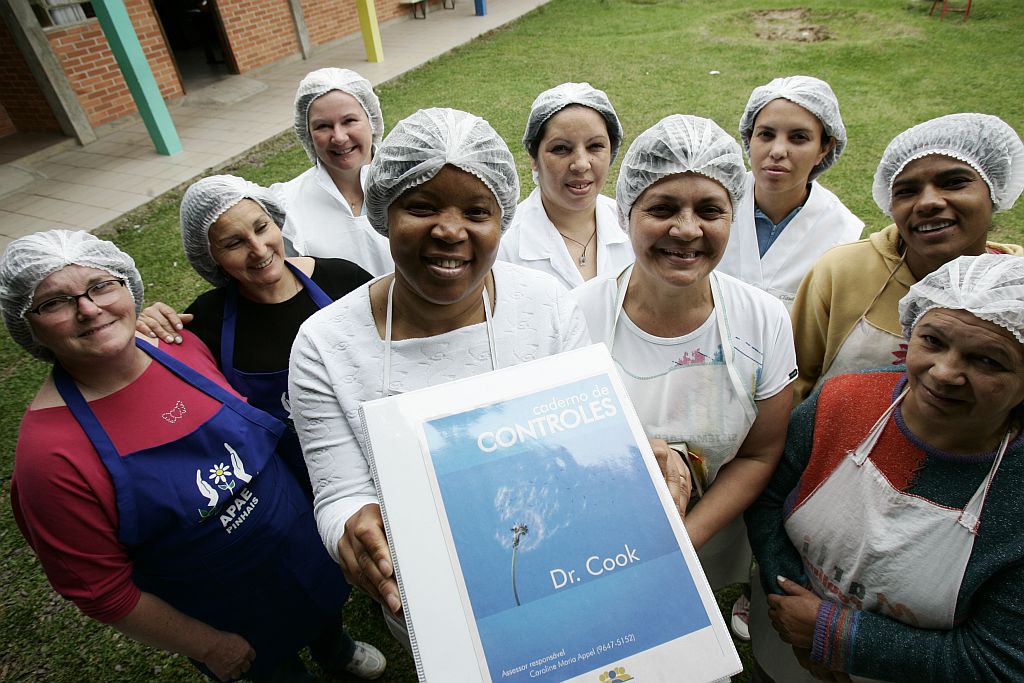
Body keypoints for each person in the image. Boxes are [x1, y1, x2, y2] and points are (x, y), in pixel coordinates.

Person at [289, 108, 678, 647]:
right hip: (431, 597)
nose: (450, 230)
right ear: (384, 211)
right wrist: (353, 528)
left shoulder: (545, 308)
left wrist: (632, 457)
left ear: (502, 220)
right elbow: (339, 490)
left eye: (476, 211)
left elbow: (585, 442)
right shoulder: (325, 344)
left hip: (565, 571)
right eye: (421, 207)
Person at [1, 230, 364, 682]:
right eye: (54, 303)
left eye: (101, 286)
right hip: (228, 616)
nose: (89, 309)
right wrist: (209, 645)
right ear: (27, 324)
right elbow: (103, 592)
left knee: (326, 614)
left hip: (303, 552)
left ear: (128, 287)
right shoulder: (49, 458)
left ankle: (336, 648)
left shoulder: (183, 345)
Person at [745, 253, 1024, 682]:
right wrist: (789, 605)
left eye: (987, 361)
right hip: (783, 651)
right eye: (932, 341)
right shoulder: (842, 402)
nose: (945, 372)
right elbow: (766, 501)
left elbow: (998, 659)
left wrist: (832, 635)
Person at [571, 115, 796, 595]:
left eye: (710, 210)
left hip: (707, 540)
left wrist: (680, 542)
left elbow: (760, 454)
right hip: (594, 537)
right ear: (626, 212)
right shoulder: (576, 317)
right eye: (663, 208)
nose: (687, 230)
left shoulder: (763, 320)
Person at [791, 113, 1024, 404]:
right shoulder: (842, 271)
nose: (928, 202)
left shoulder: (1018, 291)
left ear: (994, 191)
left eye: (953, 183)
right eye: (907, 191)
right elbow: (792, 381)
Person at [716, 75, 863, 310]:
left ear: (824, 148)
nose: (778, 151)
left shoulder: (842, 236)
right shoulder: (711, 203)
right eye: (766, 134)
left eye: (798, 138)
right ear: (749, 137)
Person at [497, 82, 634, 289]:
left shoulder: (634, 229)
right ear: (533, 157)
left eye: (595, 146)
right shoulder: (503, 246)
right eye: (561, 148)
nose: (580, 164)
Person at [270, 67, 393, 275]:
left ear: (371, 120)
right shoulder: (288, 205)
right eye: (323, 126)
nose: (339, 137)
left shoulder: (408, 181)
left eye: (349, 121)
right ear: (307, 133)